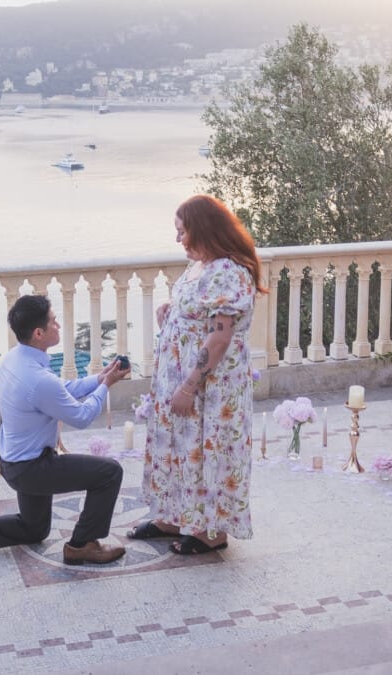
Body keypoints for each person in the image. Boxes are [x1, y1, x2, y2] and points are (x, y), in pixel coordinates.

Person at [0, 294, 132, 569]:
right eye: (53, 321)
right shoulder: (38, 380)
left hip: (12, 462)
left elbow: (59, 390)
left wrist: (98, 379)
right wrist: (106, 385)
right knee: (110, 472)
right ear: (39, 333)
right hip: (32, 468)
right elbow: (82, 416)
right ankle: (82, 545)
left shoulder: (14, 359)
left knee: (35, 529)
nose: (58, 325)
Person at [130, 194, 265, 555]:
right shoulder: (200, 265)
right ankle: (174, 516)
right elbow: (198, 313)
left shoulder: (230, 271)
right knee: (179, 447)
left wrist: (190, 385)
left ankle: (211, 532)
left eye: (182, 231)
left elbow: (220, 336)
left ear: (203, 230)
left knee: (208, 451)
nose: (178, 240)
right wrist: (170, 312)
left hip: (210, 386)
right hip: (181, 376)